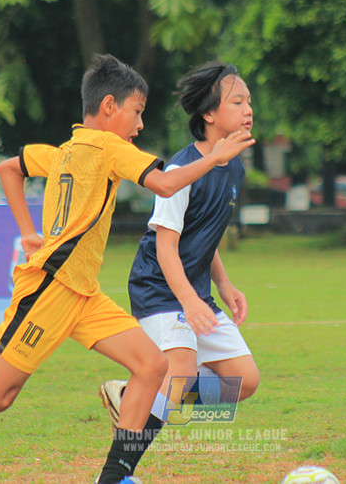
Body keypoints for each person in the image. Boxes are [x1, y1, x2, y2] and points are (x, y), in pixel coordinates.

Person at [0, 54, 254, 484]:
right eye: (137, 112)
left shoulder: (65, 150)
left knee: (152, 366)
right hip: (48, 293)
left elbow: (9, 168)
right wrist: (216, 156)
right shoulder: (109, 148)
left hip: (84, 294)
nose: (140, 125)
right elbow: (164, 183)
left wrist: (29, 232)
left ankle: (115, 477)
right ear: (109, 107)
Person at [99, 62, 260, 438]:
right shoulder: (180, 170)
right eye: (238, 102)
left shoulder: (234, 169)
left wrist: (224, 285)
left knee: (244, 381)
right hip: (159, 288)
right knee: (180, 379)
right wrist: (188, 301)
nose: (249, 110)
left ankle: (134, 393)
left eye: (249, 102)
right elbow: (167, 247)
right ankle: (128, 448)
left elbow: (205, 234)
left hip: (195, 293)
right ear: (209, 114)